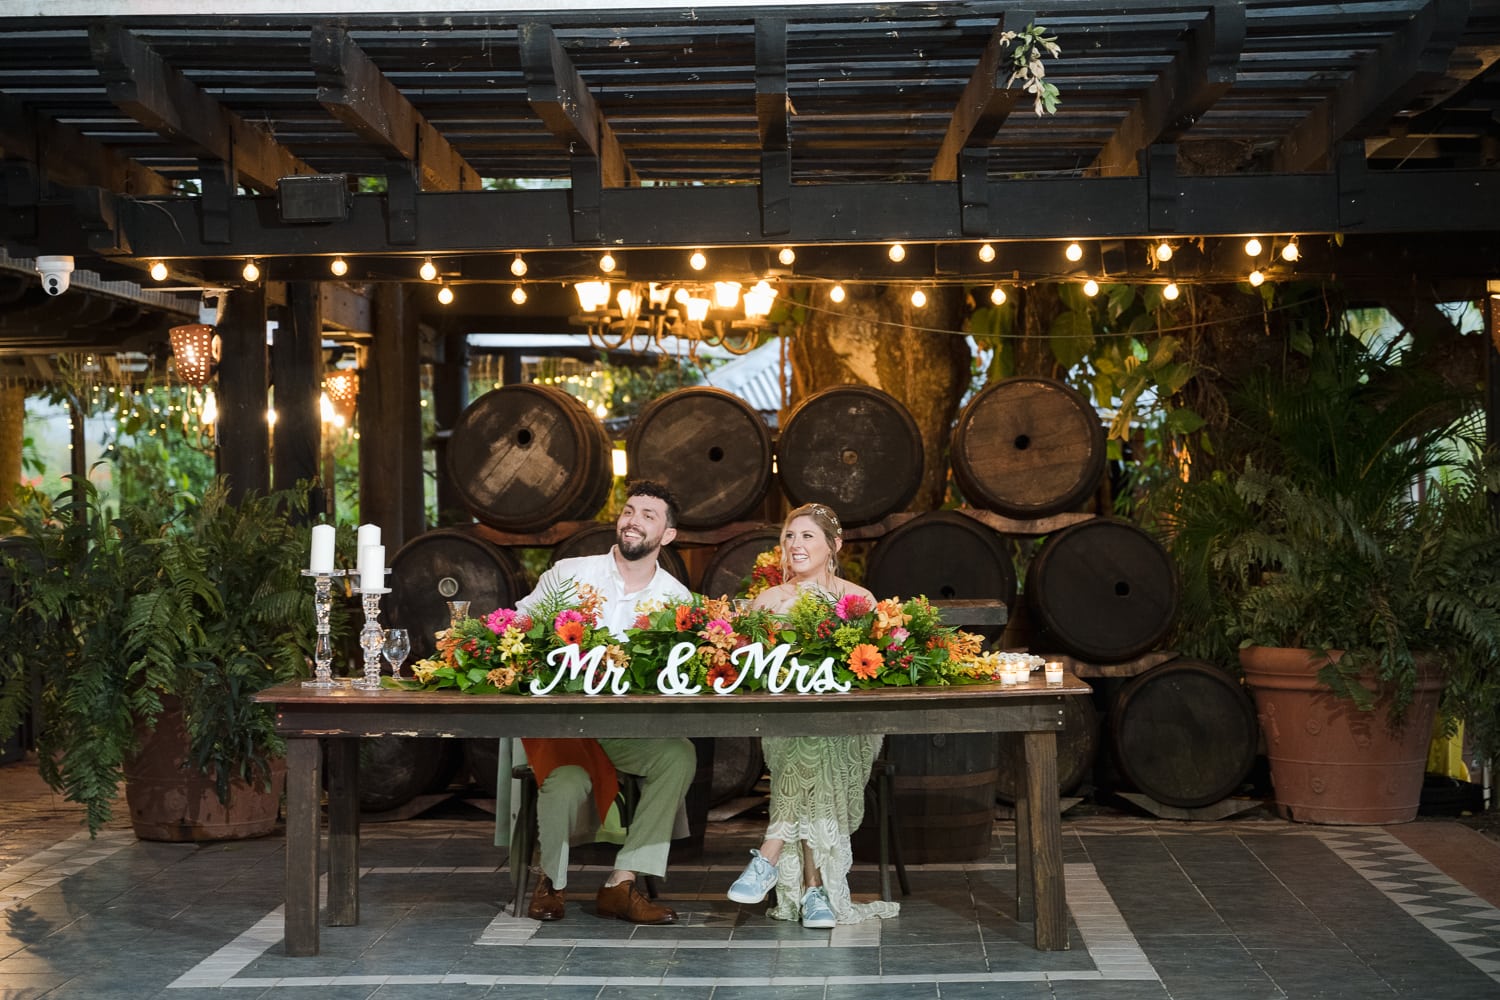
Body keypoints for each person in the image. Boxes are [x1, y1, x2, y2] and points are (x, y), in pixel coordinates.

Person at [513, 480, 696, 924]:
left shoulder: (677, 599)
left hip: (625, 726)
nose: (633, 520)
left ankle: (622, 881)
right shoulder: (570, 574)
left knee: (678, 754)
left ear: (667, 535)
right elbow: (516, 628)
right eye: (629, 510)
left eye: (648, 516)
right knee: (568, 782)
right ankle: (551, 882)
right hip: (561, 720)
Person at [726, 502, 900, 928]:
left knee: (819, 737)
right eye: (789, 536)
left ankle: (768, 855)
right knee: (807, 739)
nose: (795, 544)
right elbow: (751, 670)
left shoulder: (858, 600)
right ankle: (815, 892)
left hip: (851, 725)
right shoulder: (767, 601)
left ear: (834, 545)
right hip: (786, 722)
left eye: (807, 536)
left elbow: (874, 671)